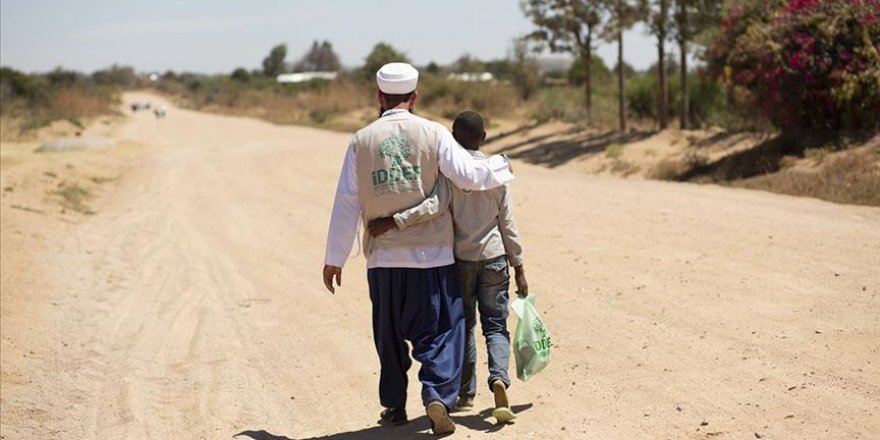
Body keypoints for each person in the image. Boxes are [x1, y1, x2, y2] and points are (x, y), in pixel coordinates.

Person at [322, 62, 515, 435]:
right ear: (414, 97)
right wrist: (502, 164)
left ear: (380, 96)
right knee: (442, 331)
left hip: (383, 260)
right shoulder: (434, 133)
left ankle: (394, 407)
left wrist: (335, 259)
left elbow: (346, 200)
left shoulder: (360, 140)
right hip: (432, 259)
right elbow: (470, 177)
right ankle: (437, 396)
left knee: (389, 336)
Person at [368, 111, 528, 424]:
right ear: (484, 138)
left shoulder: (450, 174)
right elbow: (508, 224)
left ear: (453, 137)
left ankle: (465, 396)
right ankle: (498, 381)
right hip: (495, 258)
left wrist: (394, 221)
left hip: (461, 262)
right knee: (496, 326)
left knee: (464, 326)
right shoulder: (497, 172)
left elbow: (432, 207)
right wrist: (519, 266)